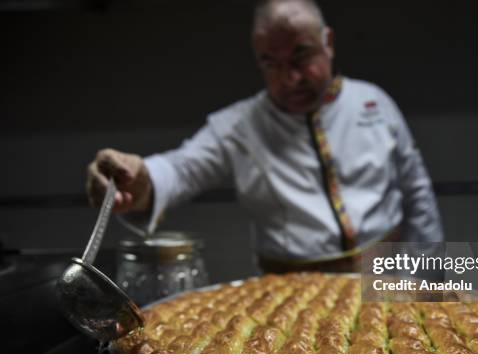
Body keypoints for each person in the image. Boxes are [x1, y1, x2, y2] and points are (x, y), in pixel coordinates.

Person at [86, 0, 443, 273]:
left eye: (301, 56)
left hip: (386, 277)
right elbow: (181, 169)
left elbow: (417, 193)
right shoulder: (240, 125)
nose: (290, 78)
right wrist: (140, 178)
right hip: (289, 293)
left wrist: (427, 277)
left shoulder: (374, 102)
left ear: (328, 42)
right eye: (271, 62)